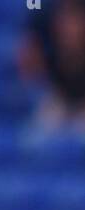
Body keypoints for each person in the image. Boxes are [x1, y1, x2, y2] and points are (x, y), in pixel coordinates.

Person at [20, 0, 85, 132]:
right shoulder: (49, 50)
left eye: (74, 20)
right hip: (60, 106)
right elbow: (29, 79)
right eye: (63, 20)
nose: (67, 27)